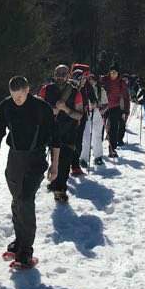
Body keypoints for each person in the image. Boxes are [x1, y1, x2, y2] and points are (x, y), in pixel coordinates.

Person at [0, 75, 59, 270]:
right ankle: (20, 241)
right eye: (13, 97)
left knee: (26, 200)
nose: (16, 101)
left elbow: (55, 138)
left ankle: (26, 253)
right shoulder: (5, 106)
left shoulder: (42, 108)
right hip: (14, 158)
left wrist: (55, 165)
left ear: (28, 90)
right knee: (17, 200)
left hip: (35, 159)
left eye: (19, 97)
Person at [40, 64, 84, 203]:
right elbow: (38, 109)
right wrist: (50, 111)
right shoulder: (45, 90)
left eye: (63, 73)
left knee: (64, 161)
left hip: (69, 132)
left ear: (68, 75)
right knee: (55, 159)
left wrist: (65, 109)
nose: (60, 76)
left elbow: (79, 115)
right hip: (52, 132)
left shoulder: (75, 92)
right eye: (58, 73)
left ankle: (60, 190)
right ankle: (55, 183)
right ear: (54, 74)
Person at [99, 62, 131, 158]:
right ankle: (98, 149)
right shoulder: (104, 80)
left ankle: (112, 149)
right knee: (100, 128)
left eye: (115, 72)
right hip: (103, 106)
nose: (112, 74)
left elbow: (125, 97)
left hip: (115, 107)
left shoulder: (121, 83)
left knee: (113, 128)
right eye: (111, 72)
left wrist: (126, 110)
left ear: (118, 73)